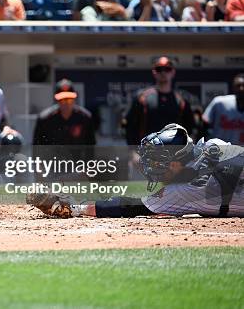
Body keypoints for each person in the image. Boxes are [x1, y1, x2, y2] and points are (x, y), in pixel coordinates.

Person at [27, 124, 244, 218]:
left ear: (176, 163)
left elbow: (131, 206)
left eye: (159, 161)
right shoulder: (214, 144)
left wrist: (75, 208)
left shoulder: (182, 190)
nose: (151, 167)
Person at [125, 56, 195, 145]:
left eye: (167, 69)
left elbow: (190, 129)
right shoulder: (142, 98)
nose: (163, 72)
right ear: (154, 72)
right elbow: (130, 127)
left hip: (175, 154)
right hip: (148, 152)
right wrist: (133, 152)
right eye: (159, 69)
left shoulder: (182, 100)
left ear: (173, 72)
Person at [33, 79, 95, 145]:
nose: (66, 103)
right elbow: (37, 145)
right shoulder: (45, 119)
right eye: (62, 100)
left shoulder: (85, 117)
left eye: (69, 99)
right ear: (57, 100)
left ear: (74, 99)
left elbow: (91, 145)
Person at [203, 74, 244, 145]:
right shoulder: (220, 102)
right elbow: (204, 124)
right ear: (233, 87)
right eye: (238, 86)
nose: (241, 88)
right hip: (221, 151)